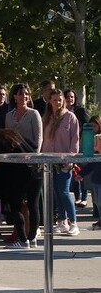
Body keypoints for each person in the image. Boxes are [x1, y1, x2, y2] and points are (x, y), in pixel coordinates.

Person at [0, 127, 41, 250]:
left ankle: (23, 240)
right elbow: (34, 145)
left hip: (18, 175)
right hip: (36, 171)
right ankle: (32, 238)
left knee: (15, 207)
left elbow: (0, 166)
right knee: (33, 206)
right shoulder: (15, 134)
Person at [42, 87, 80, 236]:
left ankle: (74, 222)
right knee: (56, 192)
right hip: (49, 160)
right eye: (54, 100)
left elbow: (75, 140)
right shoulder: (46, 118)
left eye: (60, 100)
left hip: (64, 161)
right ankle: (61, 221)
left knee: (64, 192)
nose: (57, 102)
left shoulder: (70, 117)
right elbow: (43, 139)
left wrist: (70, 159)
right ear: (50, 101)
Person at [64, 89, 90, 206]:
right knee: (73, 172)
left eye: (72, 97)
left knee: (81, 172)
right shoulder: (61, 112)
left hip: (80, 145)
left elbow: (87, 128)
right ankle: (77, 197)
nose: (70, 99)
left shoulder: (80, 111)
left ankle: (84, 198)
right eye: (68, 97)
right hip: (66, 146)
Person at [5, 84, 43, 151]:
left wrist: (35, 154)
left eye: (26, 94)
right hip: (13, 154)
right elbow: (7, 137)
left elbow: (39, 138)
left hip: (29, 153)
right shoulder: (8, 116)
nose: (24, 96)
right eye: (20, 94)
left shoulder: (34, 114)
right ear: (14, 96)